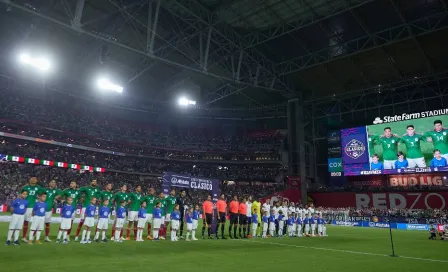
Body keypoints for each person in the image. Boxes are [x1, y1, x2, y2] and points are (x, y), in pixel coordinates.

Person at [20, 176, 42, 243]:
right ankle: (23, 237)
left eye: (35, 179)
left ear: (37, 180)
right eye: (32, 178)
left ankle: (32, 236)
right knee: (24, 221)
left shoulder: (39, 188)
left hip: (34, 207)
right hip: (25, 206)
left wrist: (39, 198)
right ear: (29, 180)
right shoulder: (25, 187)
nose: (33, 180)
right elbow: (20, 195)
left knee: (35, 222)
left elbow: (43, 195)